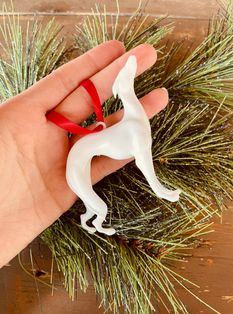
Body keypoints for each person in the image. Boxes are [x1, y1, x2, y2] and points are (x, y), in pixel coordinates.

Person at [0, 40, 169, 268]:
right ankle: (94, 221)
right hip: (85, 153)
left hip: (90, 151)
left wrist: (160, 188)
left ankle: (92, 220)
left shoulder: (134, 123)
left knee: (99, 207)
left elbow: (144, 160)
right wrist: (160, 189)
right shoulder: (135, 126)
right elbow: (144, 163)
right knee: (101, 208)